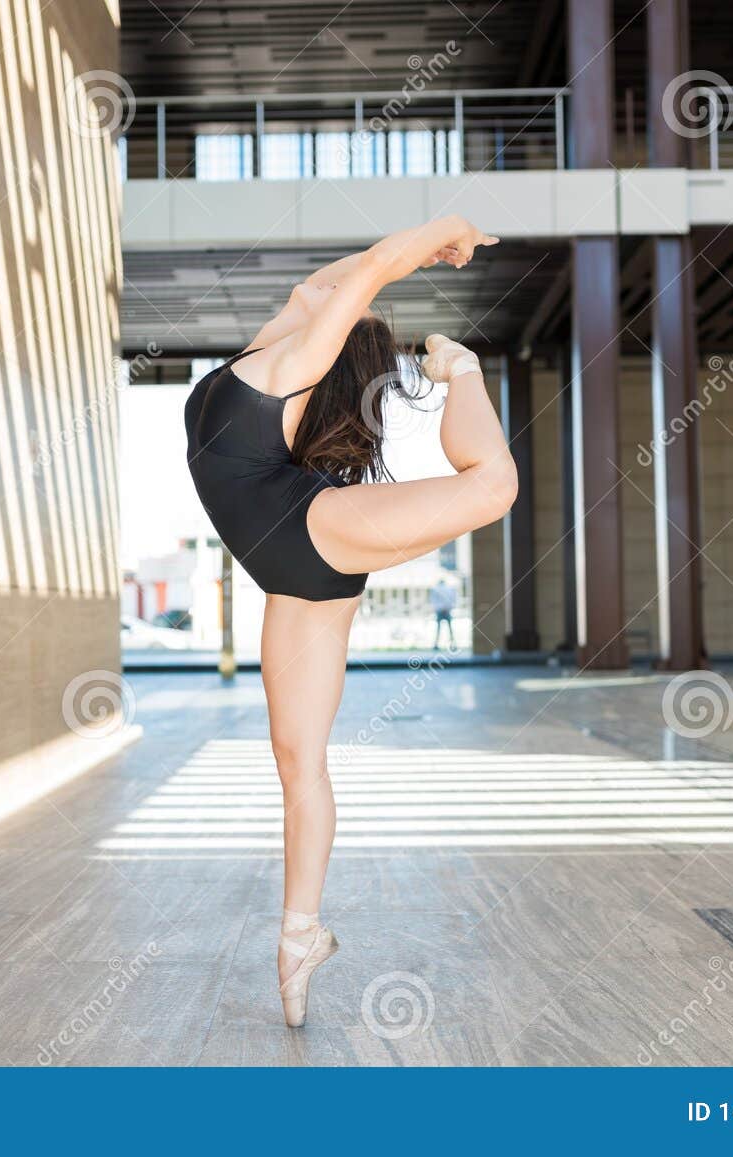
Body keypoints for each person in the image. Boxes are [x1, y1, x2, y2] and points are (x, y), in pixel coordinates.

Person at [183, 214, 517, 1027]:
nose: (325, 299)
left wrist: (440, 231)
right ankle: (301, 937)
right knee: (301, 768)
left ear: (336, 348)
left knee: (492, 487)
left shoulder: (278, 362)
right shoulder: (274, 354)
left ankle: (463, 370)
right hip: (299, 570)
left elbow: (366, 275)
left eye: (338, 309)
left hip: (304, 536)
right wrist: (426, 246)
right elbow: (347, 277)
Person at [429, 575, 458, 650]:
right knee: (449, 628)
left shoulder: (436, 589)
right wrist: (448, 607)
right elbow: (453, 599)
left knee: (439, 628)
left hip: (440, 610)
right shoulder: (449, 589)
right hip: (446, 610)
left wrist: (439, 608)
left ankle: (436, 644)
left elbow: (433, 601)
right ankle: (452, 644)